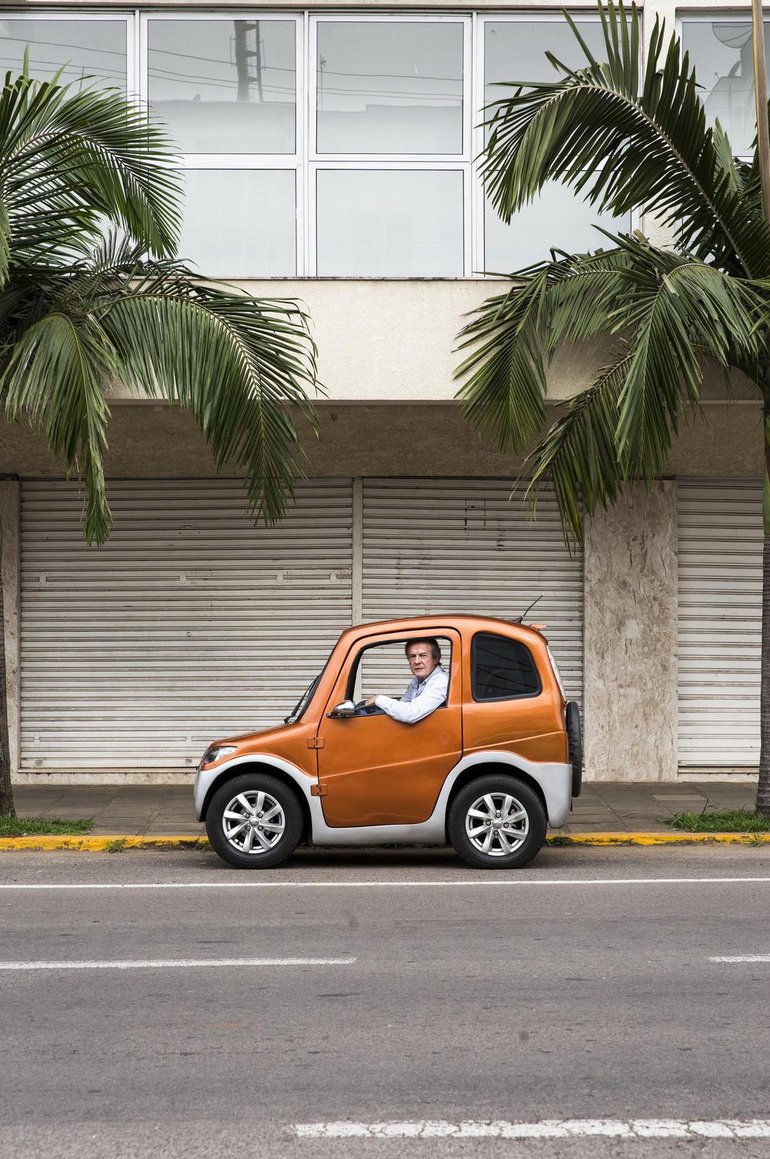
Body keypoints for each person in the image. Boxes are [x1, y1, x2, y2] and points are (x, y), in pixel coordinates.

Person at [364, 638, 448, 724]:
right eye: (412, 656)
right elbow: (402, 705)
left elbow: (410, 714)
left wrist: (378, 699)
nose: (417, 661)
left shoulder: (441, 681)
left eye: (423, 655)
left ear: (435, 659)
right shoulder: (417, 681)